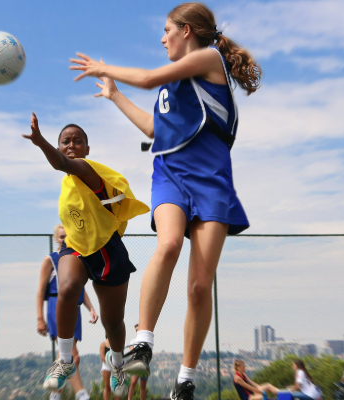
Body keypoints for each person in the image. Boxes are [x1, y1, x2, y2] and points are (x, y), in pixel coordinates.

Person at [70, 3, 262, 399]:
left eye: (166, 30)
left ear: (187, 30)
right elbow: (155, 128)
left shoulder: (207, 59)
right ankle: (144, 340)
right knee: (169, 243)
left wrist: (104, 67)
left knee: (198, 285)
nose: (162, 38)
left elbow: (147, 76)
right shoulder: (172, 88)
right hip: (170, 174)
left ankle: (186, 379)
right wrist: (114, 95)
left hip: (211, 180)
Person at [23, 113, 149, 397]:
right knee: (66, 287)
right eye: (65, 141)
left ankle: (117, 363)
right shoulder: (68, 184)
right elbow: (61, 166)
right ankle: (65, 360)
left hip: (107, 250)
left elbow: (62, 162)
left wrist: (40, 141)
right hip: (77, 247)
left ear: (86, 149)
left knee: (112, 322)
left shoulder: (87, 169)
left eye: (77, 141)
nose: (71, 145)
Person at [36, 223, 99, 400]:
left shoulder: (76, 258)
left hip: (75, 308)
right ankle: (81, 394)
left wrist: (91, 308)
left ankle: (55, 395)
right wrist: (40, 318)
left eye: (68, 236)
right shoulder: (51, 259)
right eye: (62, 237)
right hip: (57, 305)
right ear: (57, 239)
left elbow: (80, 287)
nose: (65, 240)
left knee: (64, 356)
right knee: (73, 356)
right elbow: (40, 291)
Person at [128, 324, 148, 400]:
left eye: (138, 329)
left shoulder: (146, 341)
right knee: (133, 383)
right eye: (136, 330)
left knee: (143, 385)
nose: (137, 331)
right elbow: (131, 352)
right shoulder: (133, 341)